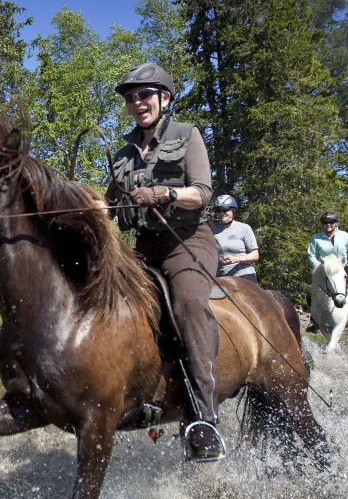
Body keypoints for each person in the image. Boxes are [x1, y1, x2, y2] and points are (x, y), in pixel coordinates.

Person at [105, 63, 225, 462]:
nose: (137, 102)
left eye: (144, 94)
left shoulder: (186, 134)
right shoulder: (124, 153)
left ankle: (204, 418)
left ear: (164, 97)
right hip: (143, 247)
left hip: (188, 242)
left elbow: (202, 193)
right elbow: (110, 204)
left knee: (188, 305)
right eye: (130, 97)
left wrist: (163, 193)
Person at [306, 211, 348, 328]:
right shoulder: (316, 238)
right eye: (325, 222)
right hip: (326, 273)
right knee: (310, 292)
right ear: (322, 224)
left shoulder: (344, 235)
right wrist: (318, 266)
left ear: (336, 223)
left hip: (344, 270)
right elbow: (311, 254)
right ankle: (314, 320)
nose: (328, 224)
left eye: (331, 222)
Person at [211, 195, 260, 284]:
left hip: (244, 274)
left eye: (225, 209)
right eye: (218, 210)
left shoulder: (244, 228)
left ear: (233, 211)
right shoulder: (213, 231)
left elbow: (255, 255)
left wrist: (237, 259)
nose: (221, 213)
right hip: (221, 277)